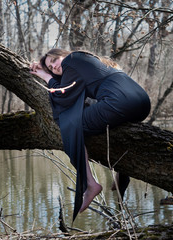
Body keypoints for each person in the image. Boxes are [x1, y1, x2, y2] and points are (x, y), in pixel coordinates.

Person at [30, 49, 151, 221]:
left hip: (118, 103)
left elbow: (63, 95)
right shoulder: (88, 64)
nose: (55, 66)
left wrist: (45, 76)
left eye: (55, 60)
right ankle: (121, 170)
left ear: (64, 54)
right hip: (142, 103)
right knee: (110, 127)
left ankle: (90, 184)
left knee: (70, 125)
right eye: (50, 67)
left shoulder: (71, 59)